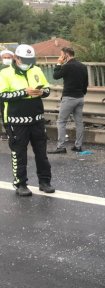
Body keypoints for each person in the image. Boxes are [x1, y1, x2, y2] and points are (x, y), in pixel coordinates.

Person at [0, 44, 55, 196]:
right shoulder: (5, 73)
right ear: (16, 58)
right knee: (19, 153)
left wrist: (41, 92)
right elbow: (2, 95)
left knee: (41, 152)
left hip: (37, 119)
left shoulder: (36, 69)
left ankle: (45, 181)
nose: (28, 63)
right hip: (16, 121)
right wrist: (23, 92)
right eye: (24, 60)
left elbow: (47, 89)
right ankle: (20, 184)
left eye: (30, 60)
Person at [48, 47, 88, 154]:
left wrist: (58, 64)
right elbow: (85, 84)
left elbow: (55, 76)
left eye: (61, 55)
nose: (61, 57)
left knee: (61, 122)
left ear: (66, 55)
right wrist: (81, 93)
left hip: (69, 97)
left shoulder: (67, 66)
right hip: (80, 98)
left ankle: (60, 146)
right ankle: (78, 146)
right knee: (79, 122)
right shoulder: (83, 66)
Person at [0, 49, 14, 140]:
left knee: (8, 114)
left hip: (10, 95)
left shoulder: (15, 68)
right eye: (5, 57)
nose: (6, 59)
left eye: (8, 57)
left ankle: (11, 133)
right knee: (3, 114)